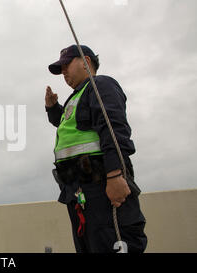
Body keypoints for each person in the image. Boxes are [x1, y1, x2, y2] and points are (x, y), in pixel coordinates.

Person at [45, 45, 147, 253]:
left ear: (86, 61)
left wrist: (115, 174)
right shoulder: (77, 96)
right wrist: (53, 108)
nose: (63, 72)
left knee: (111, 244)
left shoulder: (101, 85)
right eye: (60, 69)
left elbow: (113, 128)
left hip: (101, 188)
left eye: (66, 65)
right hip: (80, 191)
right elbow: (73, 127)